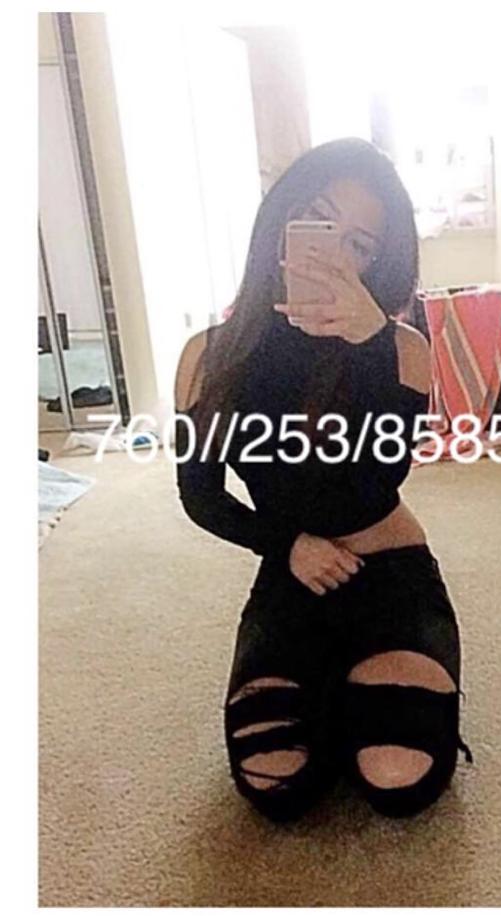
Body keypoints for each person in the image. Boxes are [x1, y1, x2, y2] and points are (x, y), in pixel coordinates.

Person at [173, 137, 473, 823]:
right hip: (293, 571)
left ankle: (355, 688)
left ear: (377, 263)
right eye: (317, 217)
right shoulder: (209, 355)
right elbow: (201, 496)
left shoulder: (402, 351)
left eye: (359, 243)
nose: (333, 250)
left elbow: (370, 485)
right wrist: (288, 546)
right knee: (274, 784)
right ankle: (339, 690)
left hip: (391, 567)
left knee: (398, 778)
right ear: (281, 216)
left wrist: (369, 348)